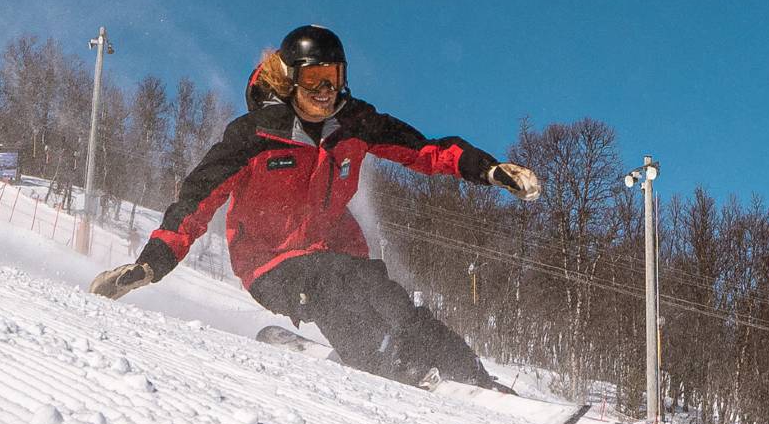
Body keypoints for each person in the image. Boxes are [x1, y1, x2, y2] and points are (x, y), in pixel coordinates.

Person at [90, 25, 541, 391]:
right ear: (290, 79)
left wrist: (491, 170)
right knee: (333, 283)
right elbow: (194, 202)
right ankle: (385, 366)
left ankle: (470, 375)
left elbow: (425, 150)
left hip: (335, 252)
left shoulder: (354, 124)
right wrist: (151, 265)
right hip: (269, 264)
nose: (326, 91)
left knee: (383, 290)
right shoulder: (253, 135)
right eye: (313, 79)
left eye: (335, 77)